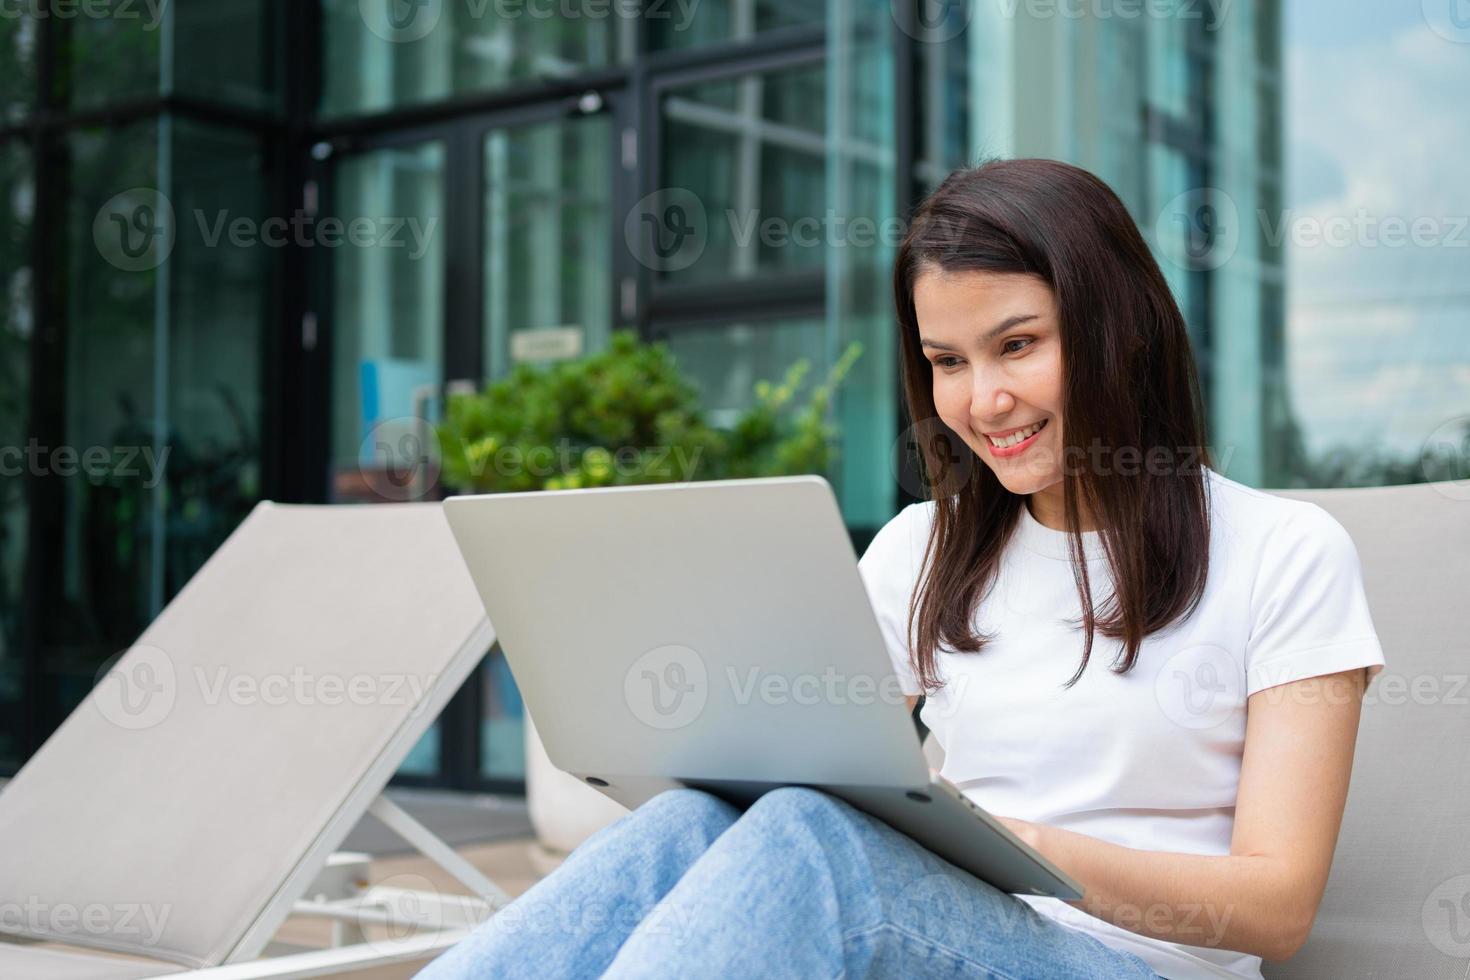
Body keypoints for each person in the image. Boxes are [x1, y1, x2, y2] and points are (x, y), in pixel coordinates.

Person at [415, 158, 1385, 979]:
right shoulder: (924, 548)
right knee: (693, 818)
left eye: (1018, 345)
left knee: (816, 840)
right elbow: (792, 769)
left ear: (1116, 329)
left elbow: (1276, 904)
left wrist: (1020, 850)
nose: (985, 398)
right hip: (935, 944)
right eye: (946, 361)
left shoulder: (1284, 554)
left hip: (1128, 963)